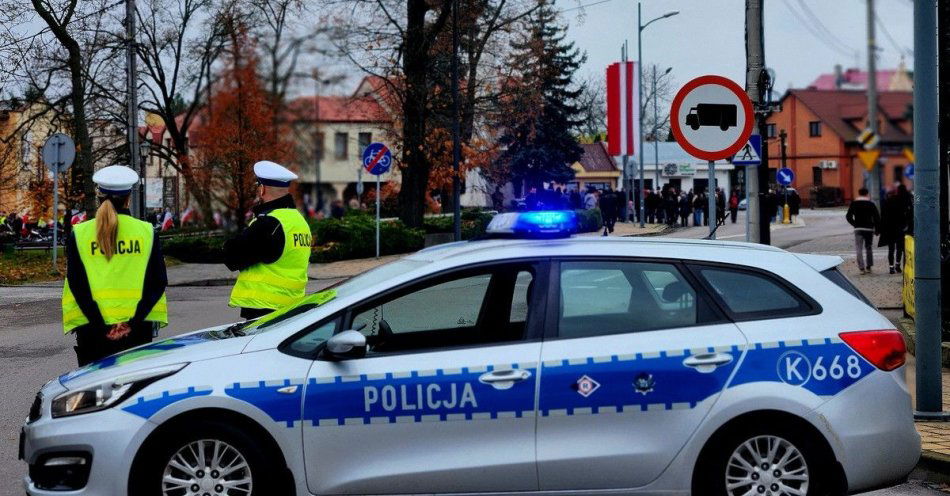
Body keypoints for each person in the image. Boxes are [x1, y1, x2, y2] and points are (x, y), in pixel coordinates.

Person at [62, 165, 167, 366]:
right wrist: (131, 324)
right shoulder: (146, 232)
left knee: (97, 385)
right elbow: (158, 281)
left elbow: (77, 284)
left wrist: (101, 325)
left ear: (99, 196)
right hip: (137, 328)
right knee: (133, 384)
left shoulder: (80, 233)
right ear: (128, 197)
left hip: (92, 329)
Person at [224, 161, 312, 320]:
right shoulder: (299, 221)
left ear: (262, 189)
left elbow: (232, 257)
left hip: (264, 308)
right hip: (291, 306)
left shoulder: (270, 223)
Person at [846, 187, 881, 274]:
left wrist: (854, 224)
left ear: (859, 193)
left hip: (858, 228)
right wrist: (877, 229)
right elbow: (877, 218)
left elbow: (848, 216)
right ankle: (869, 266)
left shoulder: (854, 203)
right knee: (868, 247)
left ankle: (861, 268)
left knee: (859, 248)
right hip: (868, 229)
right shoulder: (871, 204)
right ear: (867, 193)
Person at [878, 187, 909, 274]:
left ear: (888, 195)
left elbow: (883, 217)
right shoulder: (901, 202)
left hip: (889, 229)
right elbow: (904, 215)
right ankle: (897, 265)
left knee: (891, 249)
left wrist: (880, 229)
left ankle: (891, 267)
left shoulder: (885, 203)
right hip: (899, 228)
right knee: (899, 248)